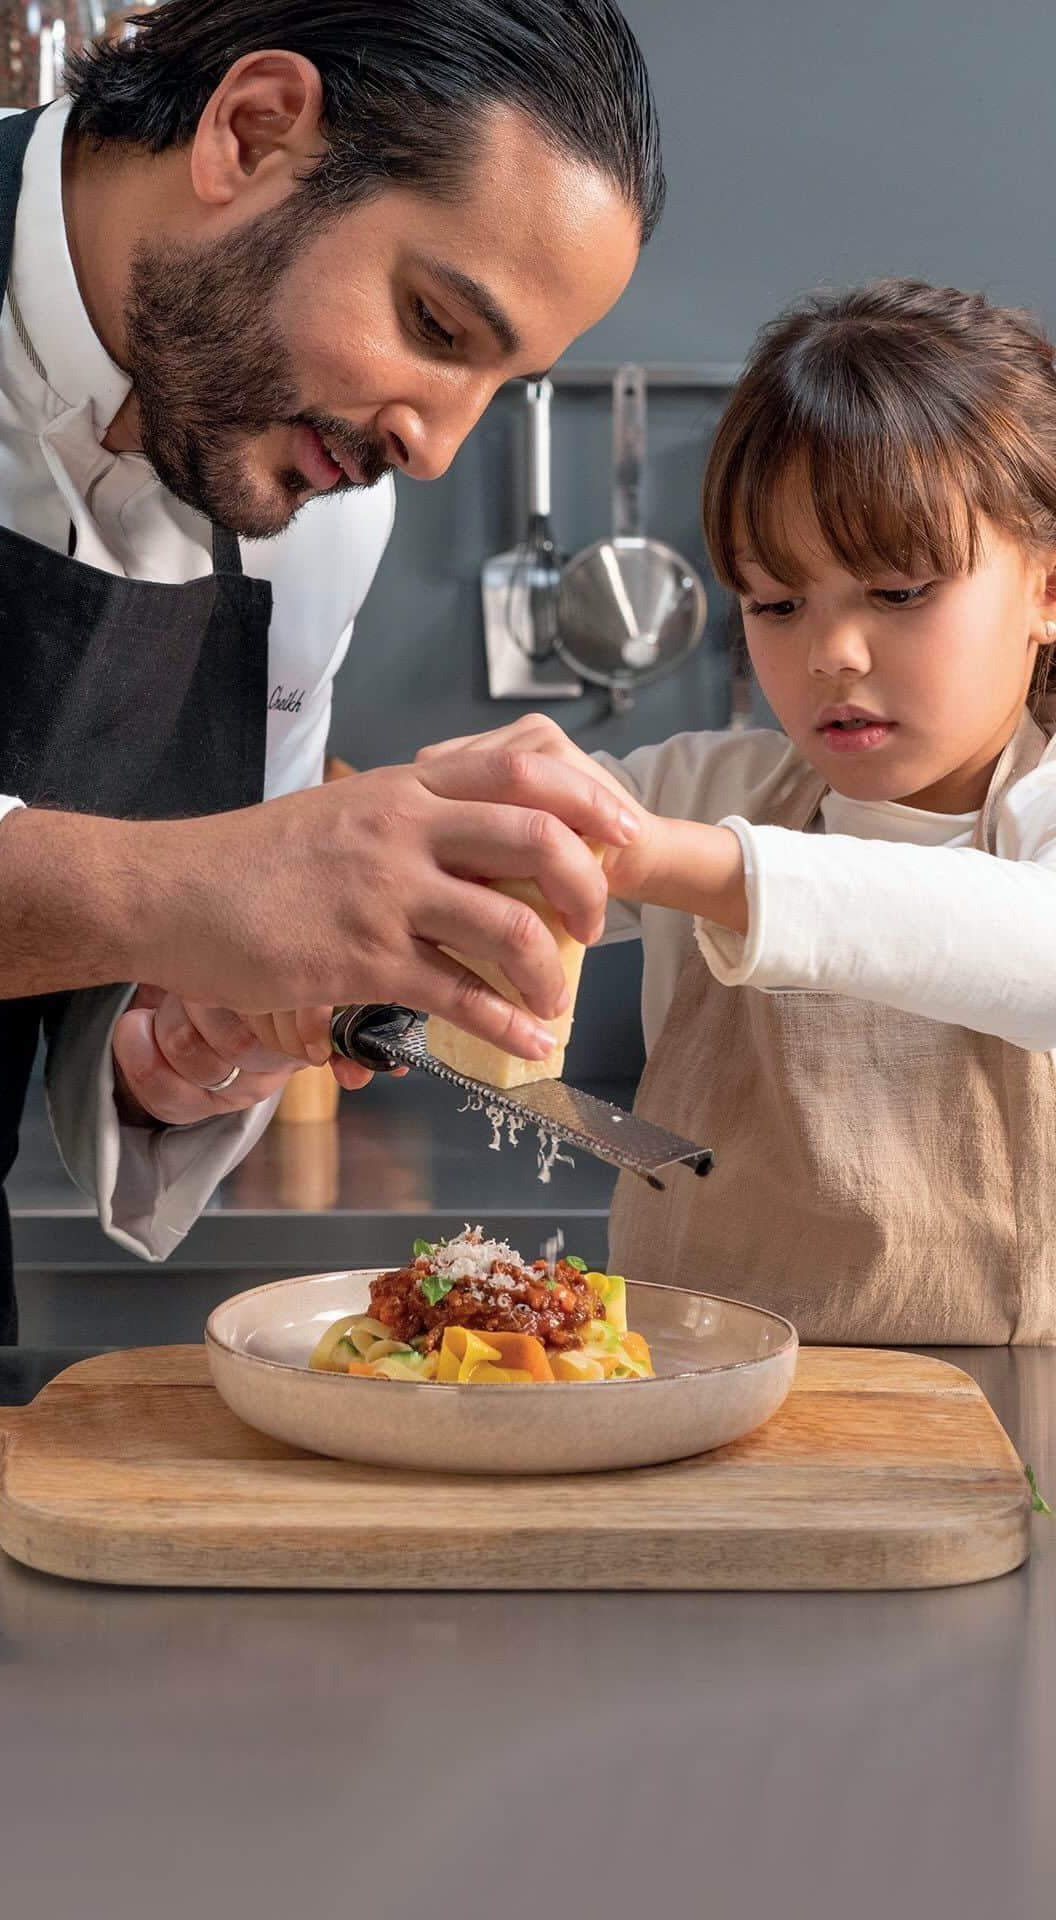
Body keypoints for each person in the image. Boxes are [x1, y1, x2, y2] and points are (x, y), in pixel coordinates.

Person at [0, 0, 664, 1343]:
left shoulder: (321, 502)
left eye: (499, 386)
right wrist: (183, 889)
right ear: (252, 131)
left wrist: (198, 1044)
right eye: (433, 321)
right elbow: (183, 883)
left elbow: (179, 968)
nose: (438, 448)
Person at [424, 279, 1056, 1344]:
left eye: (899, 592)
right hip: (694, 1416)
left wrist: (680, 864)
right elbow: (445, 878)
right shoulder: (701, 795)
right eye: (776, 602)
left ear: (1046, 586)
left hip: (1007, 1439)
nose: (831, 655)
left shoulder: (693, 834)